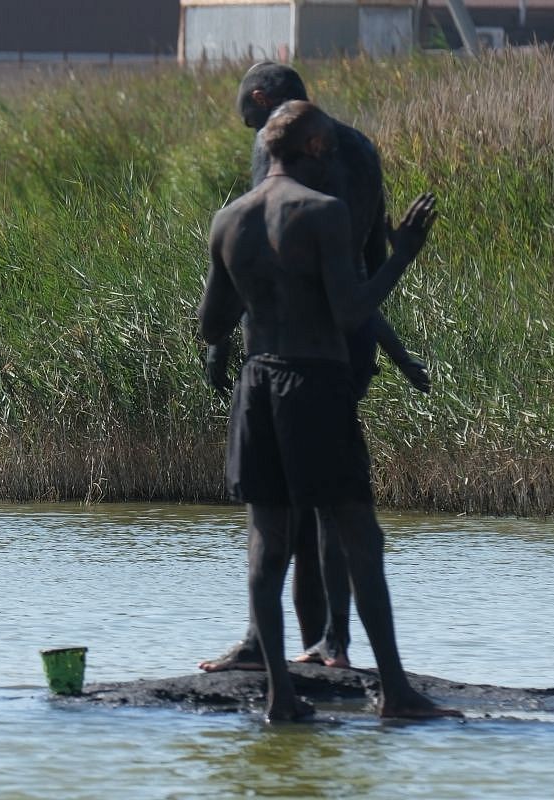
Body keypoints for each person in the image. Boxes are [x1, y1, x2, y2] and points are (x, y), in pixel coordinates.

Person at [197, 100, 459, 721]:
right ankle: (395, 693)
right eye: (332, 151)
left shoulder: (229, 218)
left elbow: (211, 323)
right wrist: (402, 254)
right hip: (314, 381)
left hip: (257, 384)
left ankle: (279, 699)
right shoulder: (324, 213)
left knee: (268, 540)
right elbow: (349, 311)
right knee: (358, 534)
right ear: (316, 149)